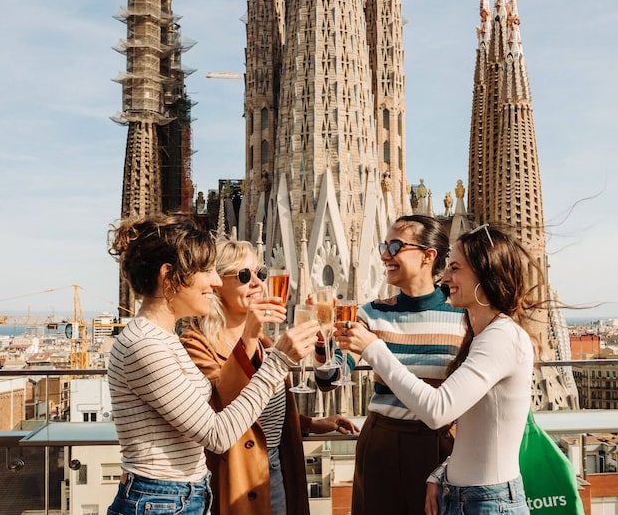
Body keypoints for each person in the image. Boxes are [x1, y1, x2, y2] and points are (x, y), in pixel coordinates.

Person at [105, 215, 319, 515]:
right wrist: (279, 360)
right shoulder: (145, 345)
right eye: (206, 271)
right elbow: (218, 435)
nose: (216, 281)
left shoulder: (162, 338)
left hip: (178, 497)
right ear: (170, 277)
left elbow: (214, 401)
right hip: (159, 501)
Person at [336, 224, 537, 515]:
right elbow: (472, 428)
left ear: (484, 273)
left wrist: (374, 349)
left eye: (455, 268)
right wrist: (442, 473)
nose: (445, 278)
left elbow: (438, 410)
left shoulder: (501, 337)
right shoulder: (483, 335)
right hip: (463, 494)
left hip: (487, 502)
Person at [178, 239, 358, 515]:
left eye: (260, 274)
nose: (257, 283)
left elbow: (261, 412)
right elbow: (222, 406)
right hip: (239, 474)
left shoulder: (264, 341)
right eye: (243, 275)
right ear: (217, 284)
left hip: (277, 464)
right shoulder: (196, 342)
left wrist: (313, 424)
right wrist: (249, 334)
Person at [336, 215, 466, 515]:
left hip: (441, 443)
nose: (385, 255)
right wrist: (322, 352)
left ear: (428, 255)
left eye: (395, 246)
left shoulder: (462, 314)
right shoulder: (373, 312)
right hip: (382, 443)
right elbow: (334, 375)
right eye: (385, 246)